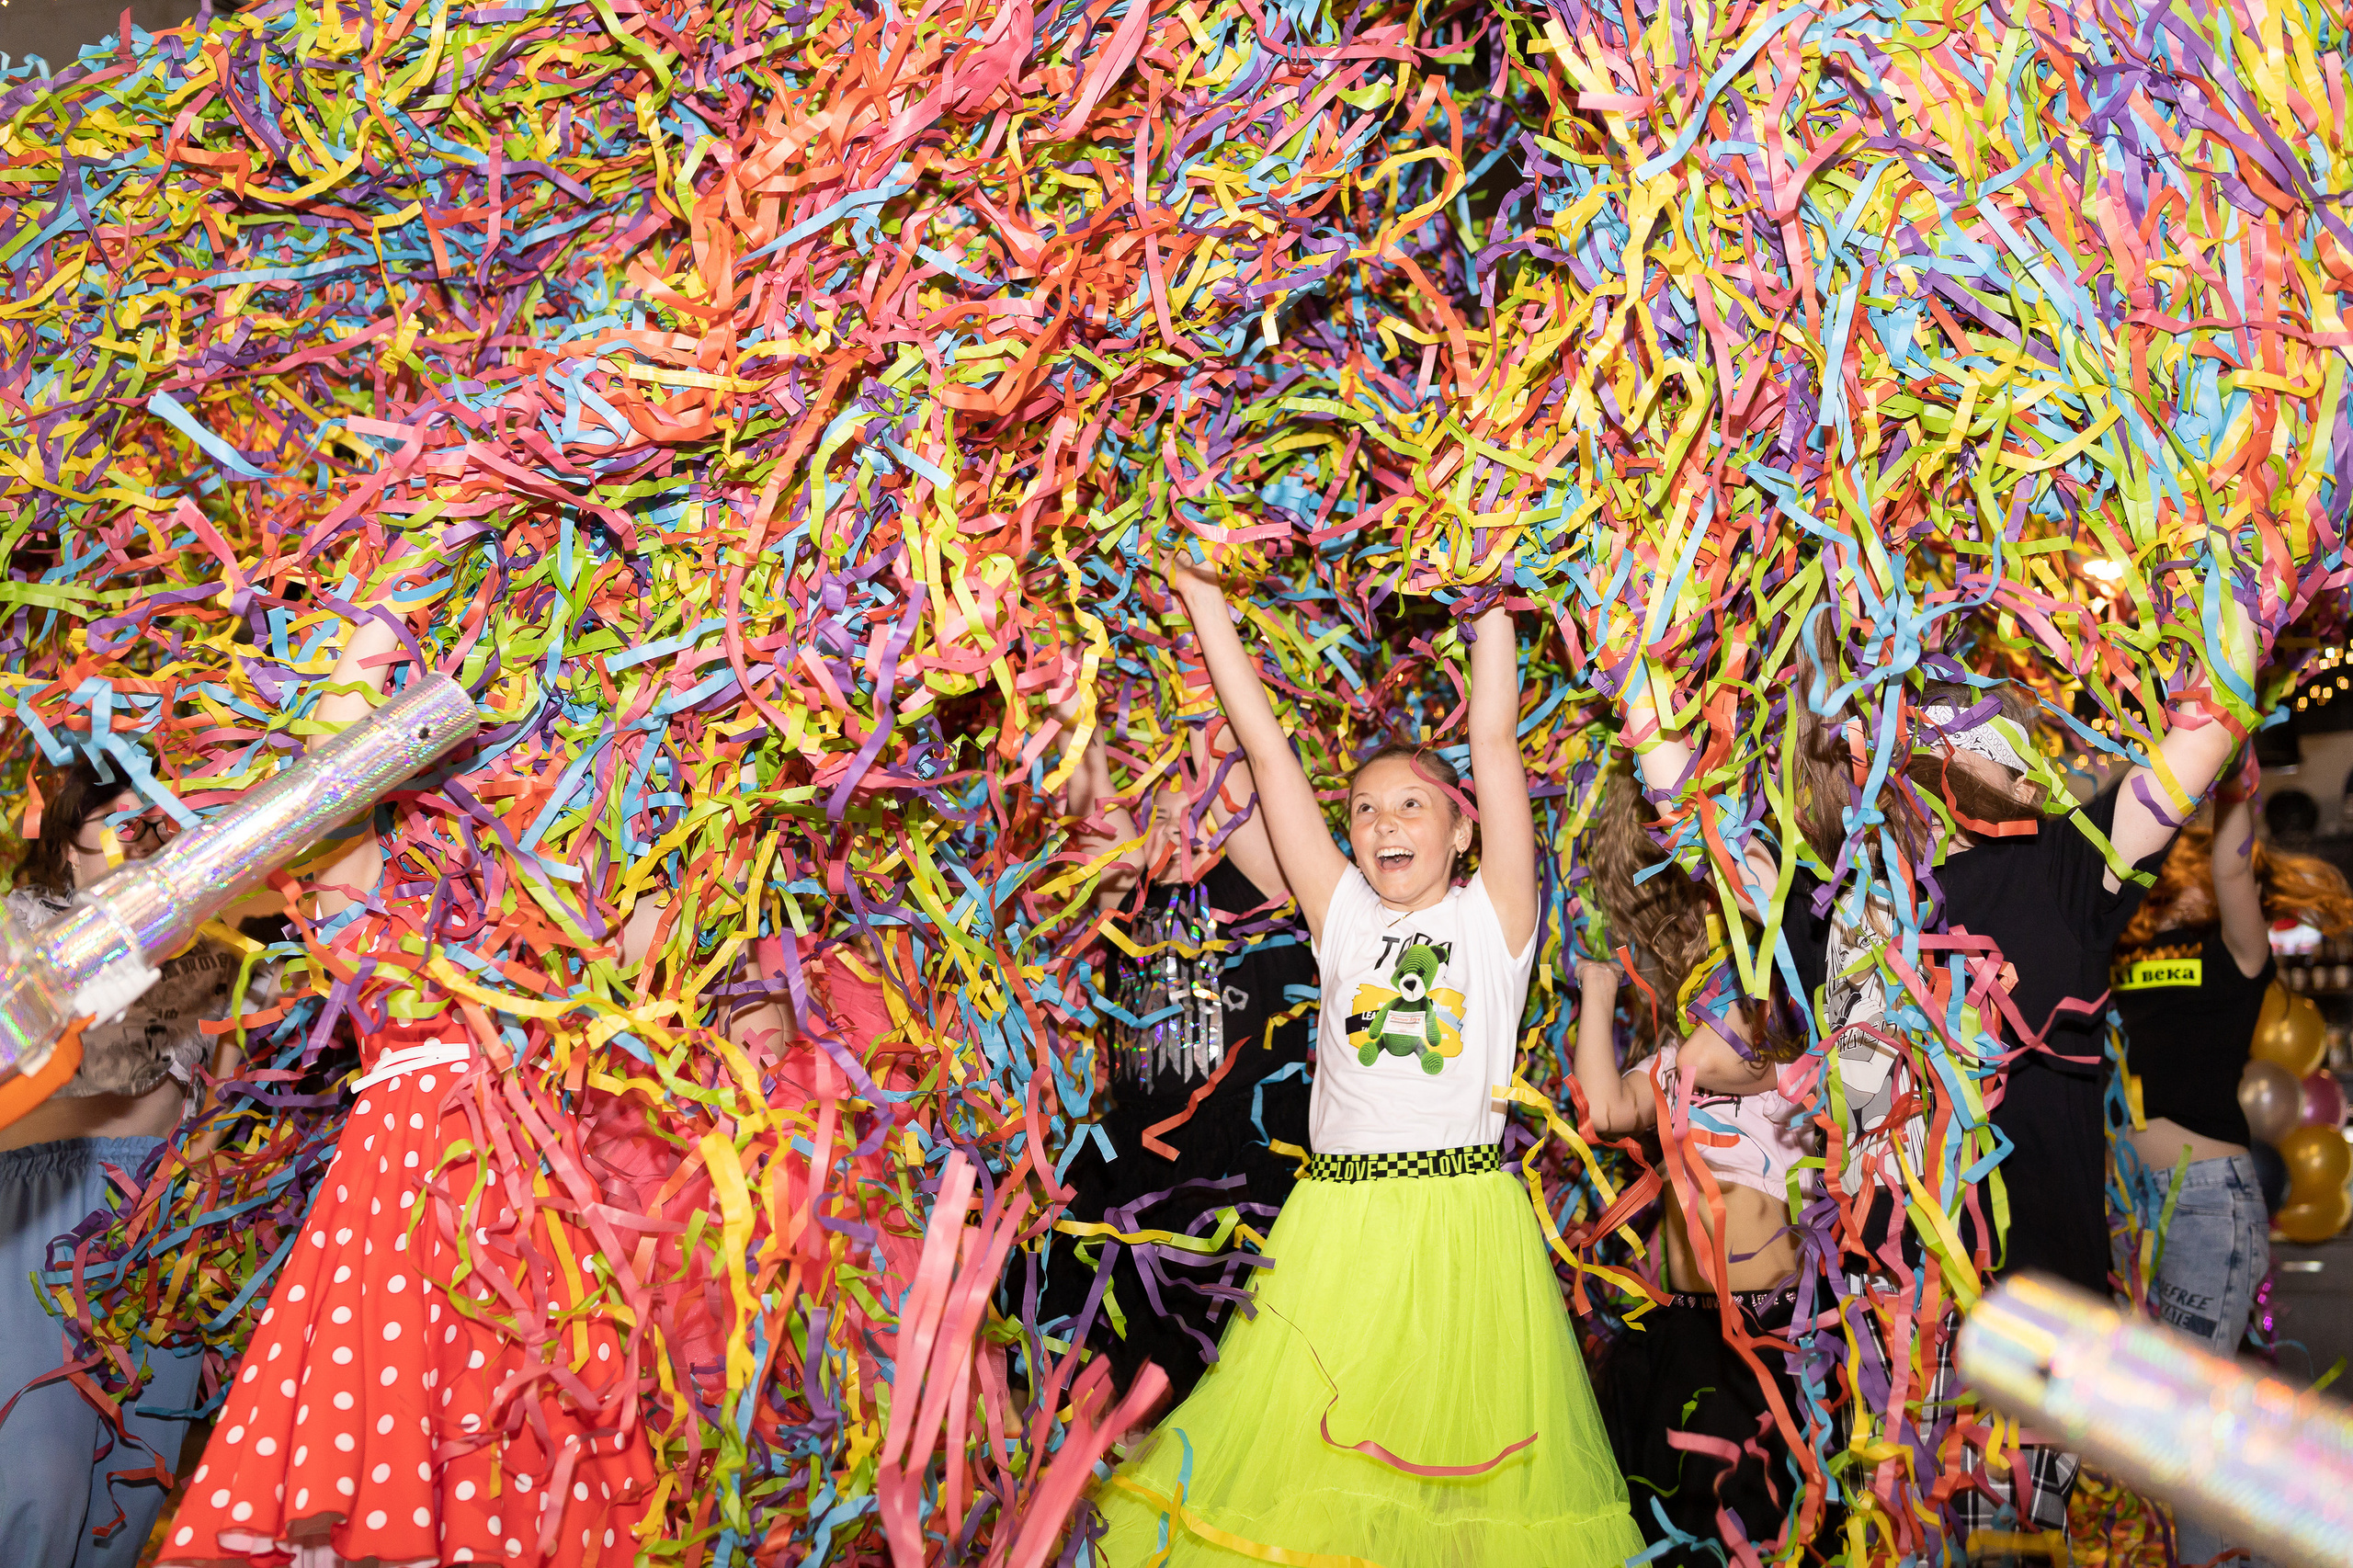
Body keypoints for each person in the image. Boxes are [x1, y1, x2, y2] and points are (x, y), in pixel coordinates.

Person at [1087, 555, 1642, 1567]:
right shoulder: (1340, 913)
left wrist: (1488, 594)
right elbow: (1266, 753)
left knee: (1454, 1509)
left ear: (1463, 830)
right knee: (1309, 1493)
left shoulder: (1494, 920)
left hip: (1464, 1234)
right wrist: (1205, 601)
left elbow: (1491, 739)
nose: (1384, 822)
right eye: (1366, 810)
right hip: (1336, 1230)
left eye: (1412, 806)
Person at [161, 558, 662, 1567]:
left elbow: (650, 945)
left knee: (538, 1485)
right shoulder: (358, 870)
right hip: (408, 1193)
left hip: (554, 1199)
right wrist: (413, 569)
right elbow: (330, 756)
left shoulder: (565, 880)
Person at [0, 754, 261, 1567]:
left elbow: (227, 1090)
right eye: (118, 814)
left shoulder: (218, 946)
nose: (142, 830)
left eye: (158, 815)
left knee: (130, 1481)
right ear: (67, 831)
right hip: (41, 1203)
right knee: (37, 1475)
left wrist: (196, 1202)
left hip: (161, 1220)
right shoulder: (21, 924)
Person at [1574, 762, 1825, 1564]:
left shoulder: (1783, 1051)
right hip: (1684, 1321)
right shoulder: (1680, 1058)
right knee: (1675, 1532)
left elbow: (1719, 1053)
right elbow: (1605, 1110)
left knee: (1756, 1528)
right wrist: (1598, 992)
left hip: (1766, 1329)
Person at [2111, 768, 2353, 1568]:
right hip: (2128, 1208)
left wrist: (2233, 784)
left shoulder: (2235, 952)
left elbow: (2231, 864)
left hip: (2206, 1210)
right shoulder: (2121, 949)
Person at [1040, 719, 1313, 1414]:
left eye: (1197, 815)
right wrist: (1075, 711)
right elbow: (1089, 797)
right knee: (1091, 1293)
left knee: (1204, 1320)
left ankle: (1168, 1418)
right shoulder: (1127, 900)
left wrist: (1201, 701)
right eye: (1160, 817)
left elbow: (1233, 771)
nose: (1175, 828)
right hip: (1138, 1148)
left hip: (1241, 1144)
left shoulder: (1266, 887)